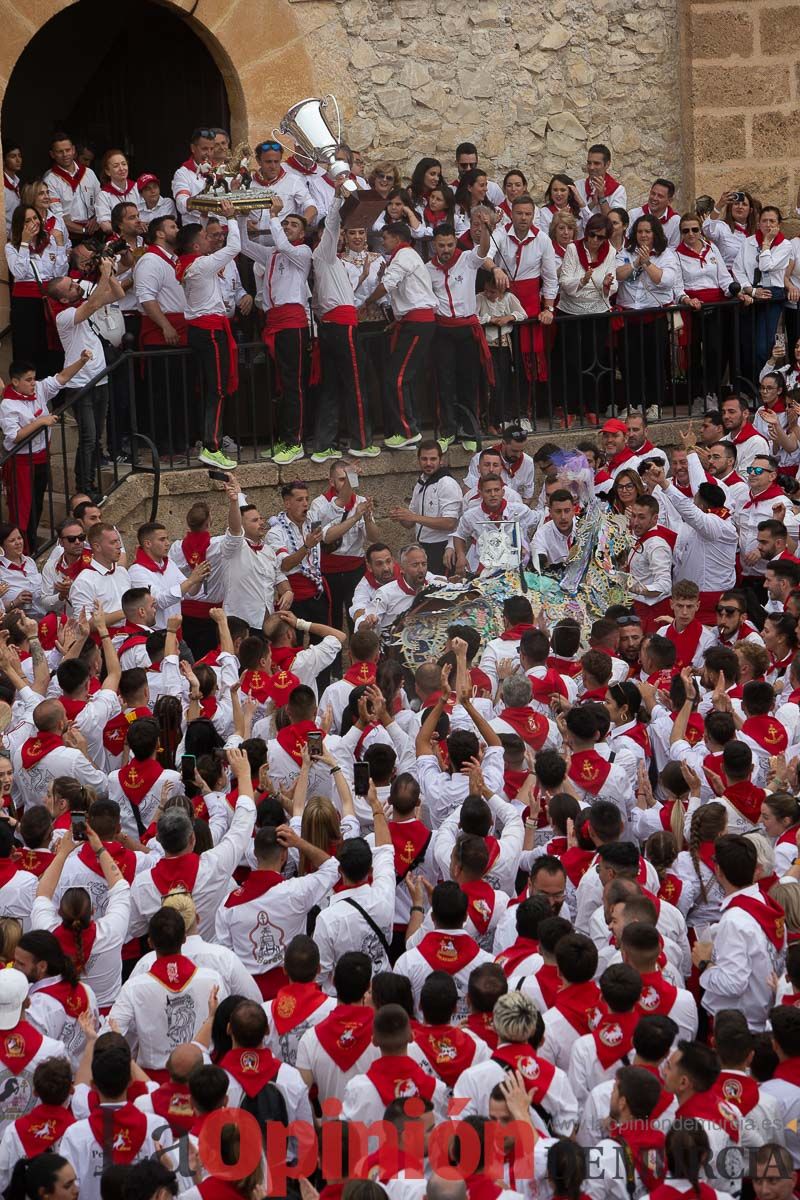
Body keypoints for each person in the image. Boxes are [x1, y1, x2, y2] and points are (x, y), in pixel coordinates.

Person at [237, 198, 312, 467]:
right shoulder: (271, 255)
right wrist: (242, 217)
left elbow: (281, 242)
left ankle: (296, 442)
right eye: (286, 223)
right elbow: (244, 246)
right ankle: (284, 437)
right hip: (274, 323)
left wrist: (273, 214)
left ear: (302, 234)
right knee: (280, 385)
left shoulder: (302, 252)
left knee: (293, 386)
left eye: (294, 225)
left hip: (292, 324)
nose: (288, 227)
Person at [310, 184, 379, 461]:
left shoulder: (333, 264)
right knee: (356, 383)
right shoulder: (324, 255)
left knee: (333, 387)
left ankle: (323, 445)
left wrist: (363, 278)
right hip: (342, 327)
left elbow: (345, 298)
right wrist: (338, 195)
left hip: (332, 325)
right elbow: (332, 223)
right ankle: (361, 442)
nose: (338, 238)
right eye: (334, 235)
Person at [691, 834, 787, 1031]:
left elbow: (733, 984)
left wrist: (704, 963)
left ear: (718, 871)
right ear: (756, 870)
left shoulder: (734, 920)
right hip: (762, 1016)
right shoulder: (765, 903)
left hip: (739, 1026)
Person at [46, 258, 123, 498]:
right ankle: (85, 487)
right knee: (89, 438)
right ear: (64, 299)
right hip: (80, 386)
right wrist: (104, 273)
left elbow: (118, 293)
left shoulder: (82, 304)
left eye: (73, 282)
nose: (75, 286)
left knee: (96, 436)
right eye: (70, 287)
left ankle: (90, 483)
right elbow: (90, 306)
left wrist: (109, 274)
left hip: (100, 380)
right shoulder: (64, 316)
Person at [0, 352, 91, 552]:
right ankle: (23, 550)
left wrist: (82, 361)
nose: (33, 383)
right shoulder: (8, 404)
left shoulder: (39, 389)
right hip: (21, 463)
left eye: (34, 378)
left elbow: (63, 377)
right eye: (28, 380)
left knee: (37, 505)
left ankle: (30, 545)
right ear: (15, 381)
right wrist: (41, 421)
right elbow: (14, 435)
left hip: (41, 458)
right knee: (23, 511)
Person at [361, 220, 438, 450]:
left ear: (396, 237)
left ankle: (408, 430)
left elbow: (388, 284)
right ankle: (406, 429)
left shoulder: (404, 255)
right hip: (412, 322)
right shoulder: (405, 256)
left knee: (396, 378)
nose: (383, 242)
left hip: (417, 323)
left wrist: (367, 302)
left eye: (385, 238)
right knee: (401, 377)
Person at [175, 199, 240, 470]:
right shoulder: (201, 265)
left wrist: (204, 217)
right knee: (217, 389)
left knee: (213, 389)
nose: (210, 238)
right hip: (211, 331)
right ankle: (212, 446)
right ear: (196, 246)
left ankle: (209, 441)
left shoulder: (191, 263)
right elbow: (235, 247)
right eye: (205, 236)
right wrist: (232, 217)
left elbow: (198, 239)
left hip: (201, 329)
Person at [426, 217, 494, 451]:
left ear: (455, 242)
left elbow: (483, 250)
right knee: (444, 382)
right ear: (434, 245)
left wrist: (485, 228)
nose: (446, 250)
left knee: (468, 381)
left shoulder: (466, 260)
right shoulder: (428, 269)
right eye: (441, 245)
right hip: (442, 330)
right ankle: (447, 430)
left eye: (450, 245)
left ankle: (468, 431)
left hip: (466, 329)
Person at [555, 213, 617, 422]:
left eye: (601, 237)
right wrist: (582, 280)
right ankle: (570, 408)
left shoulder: (611, 253)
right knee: (570, 360)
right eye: (592, 235)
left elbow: (613, 281)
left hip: (597, 311)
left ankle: (592, 407)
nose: (595, 241)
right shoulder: (573, 249)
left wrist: (608, 285)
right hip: (571, 311)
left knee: (594, 360)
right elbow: (564, 281)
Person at [615, 213, 678, 413]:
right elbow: (617, 274)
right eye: (640, 231)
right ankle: (632, 404)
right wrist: (635, 263)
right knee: (629, 362)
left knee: (655, 361)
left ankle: (654, 404)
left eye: (647, 232)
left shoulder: (666, 254)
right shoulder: (626, 252)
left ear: (655, 234)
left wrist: (647, 263)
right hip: (629, 315)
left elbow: (666, 280)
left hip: (654, 316)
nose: (643, 235)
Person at [388, 441, 463, 576]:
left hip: (443, 548)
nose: (428, 463)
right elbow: (410, 524)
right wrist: (401, 516)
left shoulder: (447, 484)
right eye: (424, 459)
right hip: (423, 547)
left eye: (433, 459)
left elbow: (450, 522)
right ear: (418, 460)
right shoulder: (421, 482)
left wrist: (413, 517)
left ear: (441, 460)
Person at [735, 206, 792, 379]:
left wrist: (766, 243)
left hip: (771, 296)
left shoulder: (785, 245)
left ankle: (765, 384)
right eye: (764, 221)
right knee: (747, 343)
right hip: (751, 293)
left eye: (772, 221)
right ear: (758, 223)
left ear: (779, 224)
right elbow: (738, 269)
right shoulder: (749, 242)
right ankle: (749, 385)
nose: (768, 225)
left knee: (763, 345)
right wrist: (750, 290)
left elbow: (766, 266)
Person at [43, 132, 101, 239]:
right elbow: (59, 217)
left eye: (68, 150)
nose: (65, 155)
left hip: (95, 229)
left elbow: (101, 201)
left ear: (73, 150)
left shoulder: (89, 173)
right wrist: (84, 231)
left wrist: (97, 218)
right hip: (69, 235)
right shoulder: (50, 180)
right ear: (52, 154)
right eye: (60, 152)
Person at [574, 144, 627, 222]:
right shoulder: (578, 186)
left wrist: (602, 197)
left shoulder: (618, 190)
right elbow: (574, 217)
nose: (591, 167)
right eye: (589, 163)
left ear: (607, 164)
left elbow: (613, 223)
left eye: (596, 163)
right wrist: (592, 204)